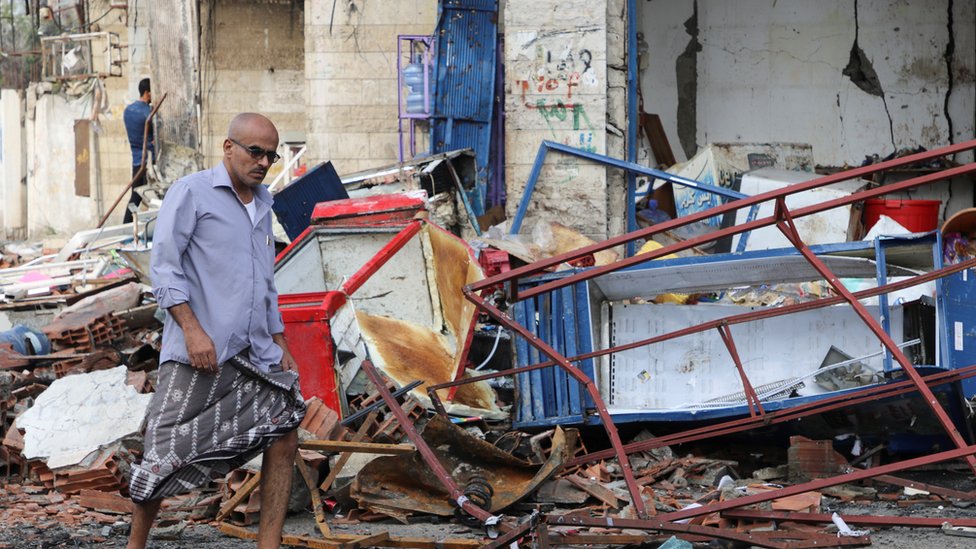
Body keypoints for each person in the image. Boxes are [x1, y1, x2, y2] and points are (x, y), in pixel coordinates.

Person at [128, 113, 304, 549]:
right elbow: (164, 268)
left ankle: (269, 544)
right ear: (228, 148)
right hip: (200, 352)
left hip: (256, 353)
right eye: (254, 151)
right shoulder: (191, 193)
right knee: (161, 451)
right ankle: (135, 545)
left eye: (270, 154)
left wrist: (280, 341)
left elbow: (265, 282)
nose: (263, 162)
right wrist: (191, 330)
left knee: (284, 430)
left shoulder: (263, 204)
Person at [123, 78, 154, 224]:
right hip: (149, 163)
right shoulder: (148, 113)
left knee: (135, 197)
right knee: (152, 197)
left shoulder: (128, 111)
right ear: (147, 92)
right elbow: (153, 139)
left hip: (136, 161)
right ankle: (127, 226)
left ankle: (126, 226)